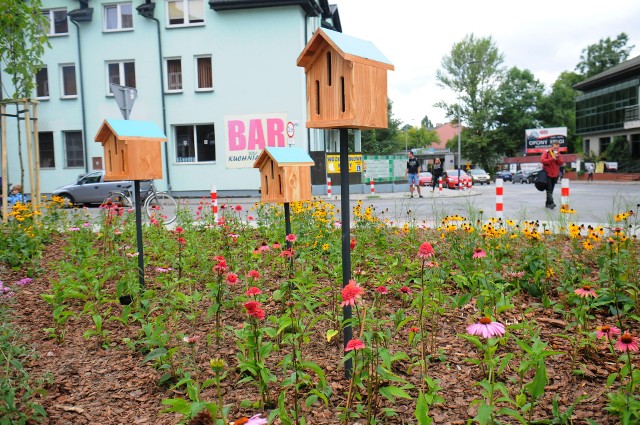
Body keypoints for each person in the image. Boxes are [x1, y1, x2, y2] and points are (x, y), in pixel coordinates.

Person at [540, 142, 564, 209]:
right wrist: (552, 159)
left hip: (555, 175)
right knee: (549, 189)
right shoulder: (547, 152)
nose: (556, 149)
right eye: (555, 147)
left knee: (551, 190)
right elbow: (542, 160)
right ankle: (551, 203)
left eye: (557, 148)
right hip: (548, 174)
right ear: (552, 147)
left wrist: (557, 158)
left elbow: (561, 162)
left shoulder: (558, 154)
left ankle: (547, 203)